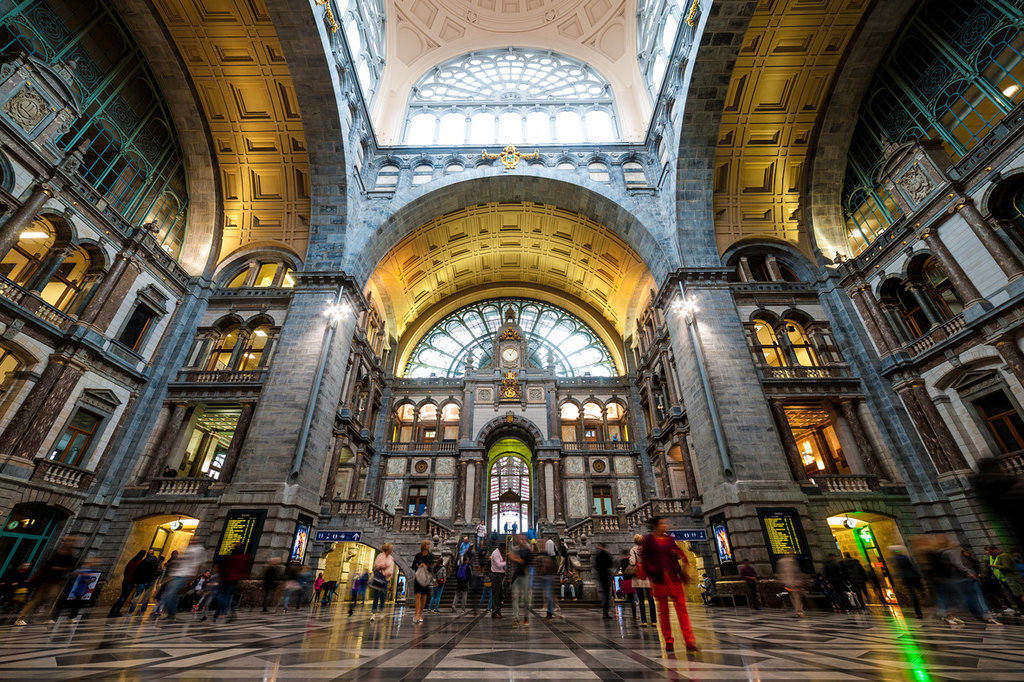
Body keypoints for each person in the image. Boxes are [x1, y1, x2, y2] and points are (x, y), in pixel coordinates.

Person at [640, 516, 697, 653]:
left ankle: (689, 641)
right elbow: (645, 559)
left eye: (665, 523)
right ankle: (668, 640)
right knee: (664, 612)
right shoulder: (648, 540)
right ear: (655, 526)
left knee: (682, 610)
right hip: (659, 579)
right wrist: (652, 573)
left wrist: (678, 555)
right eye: (662, 523)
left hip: (673, 578)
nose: (665, 525)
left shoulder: (670, 539)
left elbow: (680, 553)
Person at [14, 536, 78, 626]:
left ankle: (48, 618)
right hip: (47, 580)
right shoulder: (56, 553)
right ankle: (21, 618)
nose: (71, 544)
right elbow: (47, 566)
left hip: (56, 581)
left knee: (51, 600)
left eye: (72, 542)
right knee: (37, 599)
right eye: (70, 541)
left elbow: (71, 568)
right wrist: (61, 568)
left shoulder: (70, 554)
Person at [158, 544, 203, 621]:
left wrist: (191, 577)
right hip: (176, 575)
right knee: (172, 595)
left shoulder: (198, 550)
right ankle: (171, 614)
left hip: (183, 576)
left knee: (169, 594)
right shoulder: (187, 551)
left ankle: (169, 613)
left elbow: (197, 566)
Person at [213, 543, 250, 621]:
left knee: (222, 596)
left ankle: (222, 612)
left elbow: (222, 566)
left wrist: (220, 575)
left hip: (226, 578)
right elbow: (245, 570)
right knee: (229, 596)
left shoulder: (230, 557)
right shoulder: (244, 558)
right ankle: (227, 611)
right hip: (235, 580)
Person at [630, 533, 657, 627]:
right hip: (648, 576)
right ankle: (654, 621)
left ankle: (644, 621)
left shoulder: (633, 550)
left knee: (641, 600)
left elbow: (632, 562)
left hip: (638, 576)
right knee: (650, 599)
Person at [108, 550, 146, 617]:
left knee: (122, 596)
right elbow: (137, 574)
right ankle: (115, 612)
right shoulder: (139, 563)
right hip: (131, 582)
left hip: (125, 581)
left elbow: (125, 571)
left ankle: (113, 610)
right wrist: (135, 582)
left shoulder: (131, 561)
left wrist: (126, 577)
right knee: (123, 597)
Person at [889, 545, 924, 618]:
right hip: (912, 577)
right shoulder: (904, 557)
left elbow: (897, 569)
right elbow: (911, 566)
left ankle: (918, 612)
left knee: (913, 594)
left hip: (906, 578)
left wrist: (897, 577)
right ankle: (922, 599)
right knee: (916, 592)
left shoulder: (894, 559)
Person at [987, 545, 1024, 611]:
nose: (990, 555)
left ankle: (1022, 609)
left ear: (995, 550)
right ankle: (1021, 609)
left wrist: (995, 566)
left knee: (1018, 594)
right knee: (1016, 594)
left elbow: (1007, 567)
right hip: (1008, 578)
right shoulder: (1001, 556)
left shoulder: (1003, 556)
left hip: (1012, 578)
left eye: (991, 552)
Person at [509, 536, 532, 627]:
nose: (520, 541)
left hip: (525, 576)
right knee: (514, 597)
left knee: (526, 599)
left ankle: (526, 617)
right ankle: (516, 619)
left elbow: (523, 562)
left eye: (522, 539)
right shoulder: (517, 550)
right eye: (519, 539)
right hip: (516, 577)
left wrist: (515, 558)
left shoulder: (528, 551)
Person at [127, 551, 160, 615]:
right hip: (150, 581)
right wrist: (153, 579)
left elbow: (138, 571)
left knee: (137, 596)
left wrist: (136, 581)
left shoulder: (144, 562)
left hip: (142, 581)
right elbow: (159, 572)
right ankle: (142, 611)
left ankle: (131, 611)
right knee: (146, 597)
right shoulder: (156, 562)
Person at [411, 539, 435, 623]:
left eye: (429, 544)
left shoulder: (431, 556)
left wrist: (427, 566)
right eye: (427, 544)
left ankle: (421, 613)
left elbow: (432, 567)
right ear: (424, 546)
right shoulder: (418, 555)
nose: (429, 546)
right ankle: (416, 613)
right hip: (418, 578)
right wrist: (419, 565)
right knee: (417, 595)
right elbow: (413, 566)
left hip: (426, 578)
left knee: (424, 596)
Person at [370, 542, 395, 620]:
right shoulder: (380, 556)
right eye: (391, 549)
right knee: (376, 594)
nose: (392, 550)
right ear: (388, 549)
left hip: (385, 578)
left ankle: (381, 610)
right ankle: (373, 613)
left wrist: (384, 569)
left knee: (383, 595)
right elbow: (376, 565)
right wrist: (383, 566)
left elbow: (390, 569)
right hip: (379, 577)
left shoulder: (391, 558)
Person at [539, 537, 559, 619]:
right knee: (549, 594)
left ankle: (550, 611)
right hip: (548, 577)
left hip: (548, 577)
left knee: (549, 595)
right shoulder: (550, 558)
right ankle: (550, 610)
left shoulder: (548, 558)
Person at [594, 542, 614, 619]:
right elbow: (610, 564)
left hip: (600, 575)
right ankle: (606, 612)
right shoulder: (605, 554)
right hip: (606, 575)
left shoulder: (597, 554)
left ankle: (605, 612)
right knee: (607, 594)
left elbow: (596, 566)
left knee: (605, 594)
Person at [489, 543, 506, 618]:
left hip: (500, 575)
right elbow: (499, 565)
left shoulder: (499, 553)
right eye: (503, 549)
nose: (504, 551)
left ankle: (498, 611)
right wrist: (506, 563)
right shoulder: (495, 553)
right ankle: (494, 612)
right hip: (496, 575)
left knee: (500, 594)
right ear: (500, 548)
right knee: (496, 594)